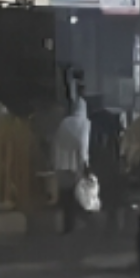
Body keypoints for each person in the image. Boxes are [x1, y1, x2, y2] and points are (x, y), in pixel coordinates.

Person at [51, 97, 92, 234]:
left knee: (66, 197)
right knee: (79, 195)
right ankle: (80, 224)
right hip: (75, 166)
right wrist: (85, 163)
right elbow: (83, 145)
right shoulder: (85, 123)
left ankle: (67, 225)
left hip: (61, 164)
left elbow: (56, 142)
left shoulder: (64, 122)